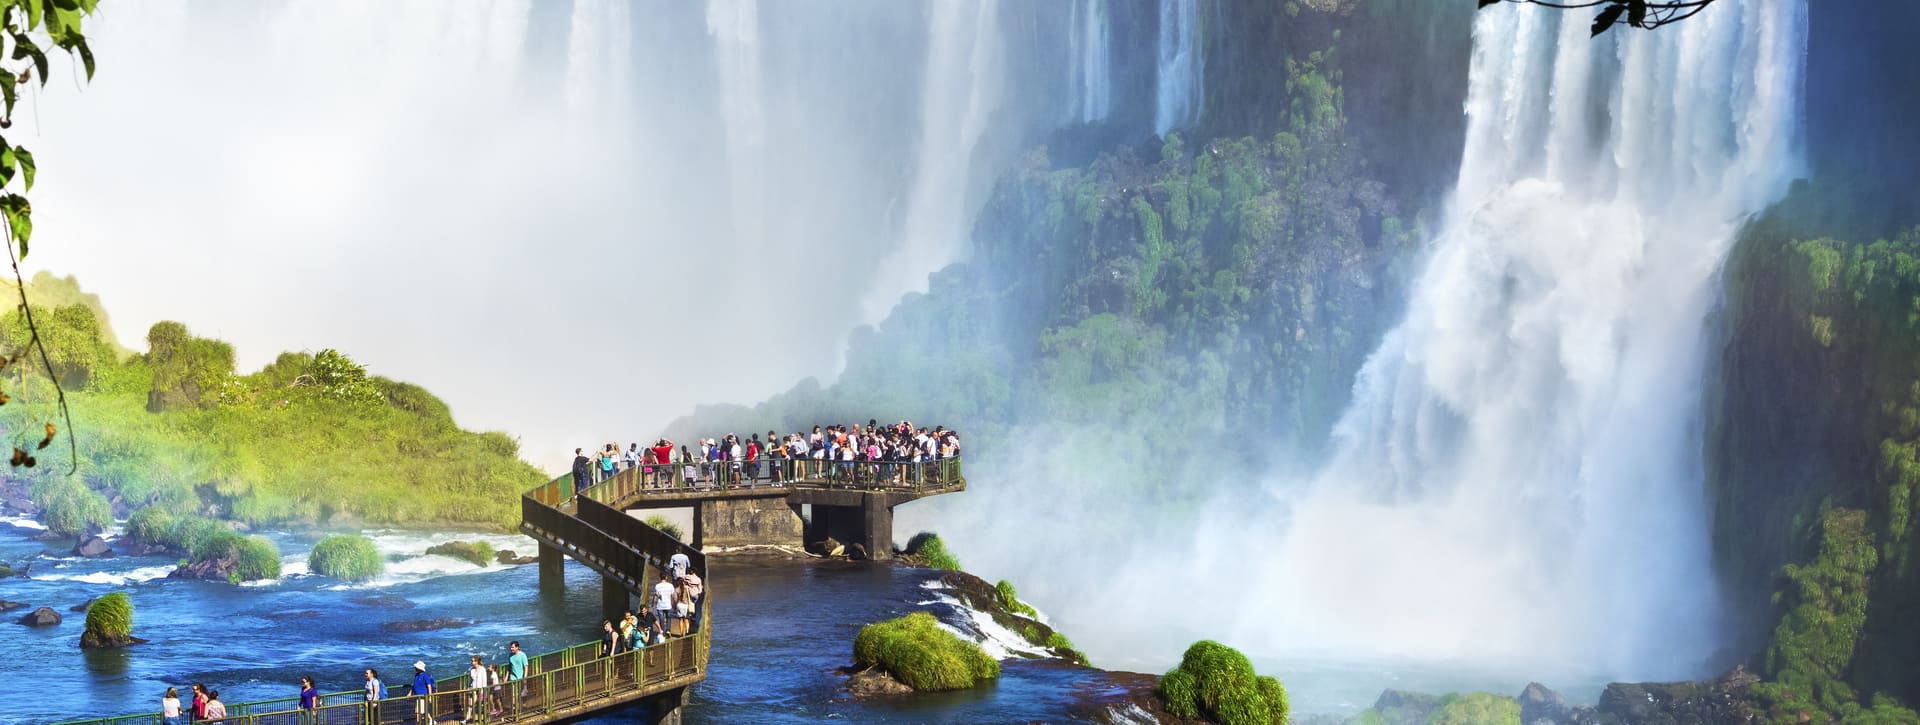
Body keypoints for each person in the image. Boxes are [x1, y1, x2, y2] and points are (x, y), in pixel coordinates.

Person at [410, 661, 436, 725]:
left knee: (418, 712)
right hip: (418, 696)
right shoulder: (416, 675)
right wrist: (410, 693)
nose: (415, 668)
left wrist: (429, 696)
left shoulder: (425, 676)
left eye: (416, 667)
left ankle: (418, 723)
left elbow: (429, 686)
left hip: (422, 697)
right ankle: (431, 720)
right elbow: (414, 685)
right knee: (423, 710)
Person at [506, 641, 528, 714]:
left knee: (522, 694)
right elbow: (509, 667)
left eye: (512, 647)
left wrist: (524, 678)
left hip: (520, 677)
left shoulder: (522, 655)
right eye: (511, 647)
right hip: (513, 678)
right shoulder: (510, 655)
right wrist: (506, 677)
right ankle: (515, 709)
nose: (511, 648)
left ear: (517, 647)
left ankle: (523, 705)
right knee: (513, 694)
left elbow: (526, 667)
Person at [465, 655, 488, 724]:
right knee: (470, 705)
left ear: (477, 661)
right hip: (474, 689)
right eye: (472, 661)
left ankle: (485, 718)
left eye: (474, 661)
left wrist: (483, 690)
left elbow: (484, 680)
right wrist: (468, 687)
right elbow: (471, 680)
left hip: (481, 689)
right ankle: (467, 719)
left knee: (482, 706)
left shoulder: (482, 669)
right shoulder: (471, 670)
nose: (473, 662)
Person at [652, 572, 675, 639]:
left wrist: (653, 604)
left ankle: (662, 631)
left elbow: (656, 596)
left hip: (660, 606)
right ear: (666, 578)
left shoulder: (657, 586)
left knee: (661, 619)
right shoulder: (670, 585)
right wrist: (674, 603)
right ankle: (668, 630)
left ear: (660, 578)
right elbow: (673, 595)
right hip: (668, 605)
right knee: (668, 618)